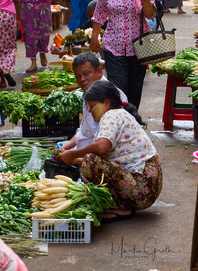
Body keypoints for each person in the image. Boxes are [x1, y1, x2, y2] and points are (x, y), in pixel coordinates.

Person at [54, 81, 162, 221]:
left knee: (91, 160)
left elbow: (101, 148)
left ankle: (121, 208)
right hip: (146, 188)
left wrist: (73, 153)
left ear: (106, 103)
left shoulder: (112, 116)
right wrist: (72, 160)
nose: (90, 112)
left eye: (92, 107)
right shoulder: (119, 115)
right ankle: (122, 205)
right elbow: (107, 163)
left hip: (143, 190)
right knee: (89, 161)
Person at [90, 0, 155, 108]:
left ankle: (132, 121)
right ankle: (120, 121)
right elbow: (99, 13)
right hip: (113, 46)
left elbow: (150, 15)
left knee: (135, 88)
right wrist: (94, 37)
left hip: (139, 47)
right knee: (118, 89)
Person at [58, 53, 129, 153]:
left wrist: (73, 155)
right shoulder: (89, 94)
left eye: (86, 74)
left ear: (99, 71)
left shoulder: (112, 96)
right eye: (78, 76)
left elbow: (104, 146)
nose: (82, 79)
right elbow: (83, 131)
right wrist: (65, 148)